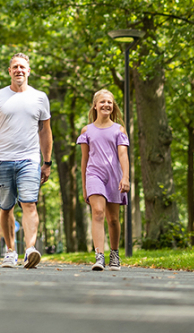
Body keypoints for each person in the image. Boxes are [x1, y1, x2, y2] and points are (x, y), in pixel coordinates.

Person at [0, 53, 52, 269]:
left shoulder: (40, 97)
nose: (19, 70)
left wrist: (47, 162)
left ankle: (29, 250)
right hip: (3, 159)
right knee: (6, 207)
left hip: (30, 159)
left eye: (23, 67)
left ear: (29, 71)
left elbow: (45, 131)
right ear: (9, 71)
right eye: (15, 67)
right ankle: (10, 251)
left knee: (29, 203)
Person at [76, 89, 129, 271]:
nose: (106, 105)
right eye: (102, 102)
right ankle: (99, 256)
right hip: (94, 175)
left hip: (114, 177)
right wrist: (84, 186)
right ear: (95, 106)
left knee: (113, 219)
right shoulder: (87, 130)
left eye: (109, 102)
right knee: (98, 212)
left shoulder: (118, 130)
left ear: (113, 106)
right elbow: (84, 160)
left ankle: (114, 254)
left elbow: (123, 155)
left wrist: (126, 177)